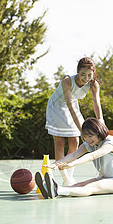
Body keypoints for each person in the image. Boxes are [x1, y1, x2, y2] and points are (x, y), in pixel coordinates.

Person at [45, 57, 104, 186]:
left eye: (90, 75)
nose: (86, 78)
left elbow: (96, 104)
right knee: (59, 142)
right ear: (77, 71)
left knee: (75, 141)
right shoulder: (67, 81)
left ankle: (69, 177)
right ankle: (65, 178)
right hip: (57, 107)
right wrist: (83, 131)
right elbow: (70, 106)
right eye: (83, 74)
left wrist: (101, 123)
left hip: (73, 107)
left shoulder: (93, 84)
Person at [35, 118, 113, 198]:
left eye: (90, 136)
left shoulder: (110, 143)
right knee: (78, 185)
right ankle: (50, 190)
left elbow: (92, 155)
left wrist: (72, 164)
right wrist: (56, 163)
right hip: (102, 177)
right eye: (85, 137)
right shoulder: (90, 144)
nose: (87, 139)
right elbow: (74, 155)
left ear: (99, 132)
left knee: (91, 187)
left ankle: (56, 189)